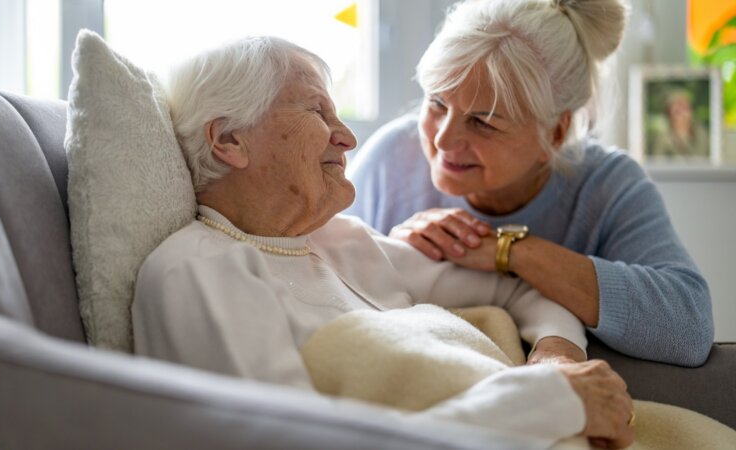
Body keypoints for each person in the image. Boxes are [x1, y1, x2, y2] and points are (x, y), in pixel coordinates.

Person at [132, 35, 634, 449]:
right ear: (229, 141)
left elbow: (520, 290)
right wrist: (550, 401)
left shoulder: (341, 240)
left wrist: (555, 357)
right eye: (318, 112)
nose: (347, 138)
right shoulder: (197, 269)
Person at [344, 0, 713, 367]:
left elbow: (689, 328)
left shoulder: (607, 185)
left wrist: (510, 252)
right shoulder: (391, 159)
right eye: (437, 103)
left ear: (555, 132)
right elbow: (318, 281)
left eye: (483, 122)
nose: (442, 140)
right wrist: (389, 251)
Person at [651, 88, 710, 159]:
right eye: (676, 107)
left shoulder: (704, 135)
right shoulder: (662, 140)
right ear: (668, 113)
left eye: (684, 106)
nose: (681, 110)